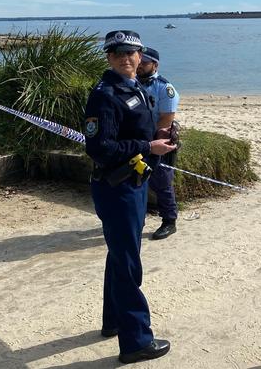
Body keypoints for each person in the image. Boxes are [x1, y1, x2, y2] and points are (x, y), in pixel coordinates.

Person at [84, 30, 177, 364]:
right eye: (119, 53)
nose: (127, 58)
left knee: (121, 254)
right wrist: (146, 147)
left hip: (134, 182)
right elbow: (99, 148)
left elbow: (137, 130)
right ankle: (136, 341)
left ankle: (113, 321)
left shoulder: (136, 86)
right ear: (109, 57)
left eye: (132, 53)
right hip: (116, 186)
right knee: (127, 263)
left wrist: (159, 138)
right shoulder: (105, 94)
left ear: (141, 56)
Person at [136, 47, 180, 240]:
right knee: (137, 181)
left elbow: (166, 119)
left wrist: (153, 143)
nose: (140, 65)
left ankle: (169, 221)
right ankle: (138, 220)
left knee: (162, 182)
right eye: (139, 61)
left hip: (159, 140)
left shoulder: (164, 88)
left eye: (144, 62)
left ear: (155, 65)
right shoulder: (132, 83)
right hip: (138, 142)